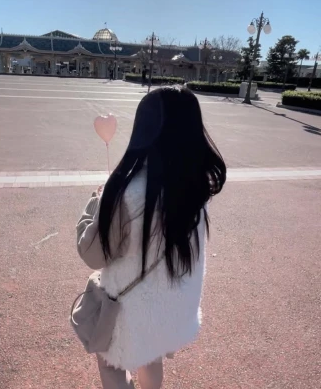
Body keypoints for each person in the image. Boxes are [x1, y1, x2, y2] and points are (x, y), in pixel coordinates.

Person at [76, 87, 226, 389]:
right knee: (152, 358)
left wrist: (96, 202)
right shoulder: (196, 188)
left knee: (111, 362)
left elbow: (92, 254)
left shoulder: (126, 192)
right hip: (171, 307)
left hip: (129, 311)